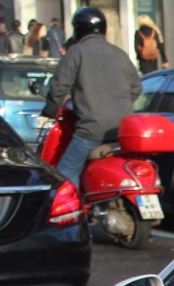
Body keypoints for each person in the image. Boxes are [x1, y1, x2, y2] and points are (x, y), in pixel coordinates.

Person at [43, 7, 142, 188]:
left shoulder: (76, 52)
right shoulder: (120, 54)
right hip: (123, 131)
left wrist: (49, 109)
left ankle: (74, 214)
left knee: (65, 173)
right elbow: (136, 88)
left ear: (78, 29)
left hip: (91, 131)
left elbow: (59, 86)